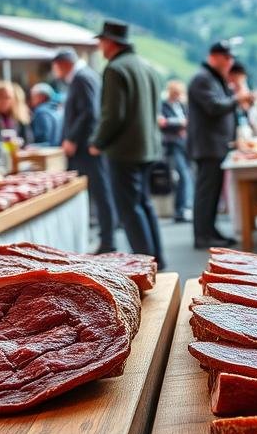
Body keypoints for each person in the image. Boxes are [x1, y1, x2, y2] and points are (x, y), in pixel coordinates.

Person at [89, 20, 165, 265]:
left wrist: (98, 142)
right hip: (149, 147)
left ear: (111, 42)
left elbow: (113, 115)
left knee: (130, 209)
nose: (100, 46)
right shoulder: (145, 65)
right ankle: (158, 259)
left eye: (102, 41)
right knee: (144, 204)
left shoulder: (115, 69)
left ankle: (145, 264)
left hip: (125, 150)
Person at [52, 48, 118, 254]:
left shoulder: (82, 78)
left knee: (101, 192)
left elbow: (90, 112)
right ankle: (106, 238)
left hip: (87, 147)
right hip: (87, 145)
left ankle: (108, 240)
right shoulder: (85, 76)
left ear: (63, 64)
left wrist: (72, 138)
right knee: (99, 192)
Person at [188, 41, 253, 248]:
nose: (230, 62)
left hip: (215, 145)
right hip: (208, 145)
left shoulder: (212, 78)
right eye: (226, 58)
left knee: (213, 193)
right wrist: (238, 98)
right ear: (214, 57)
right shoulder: (202, 79)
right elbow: (214, 107)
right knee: (206, 193)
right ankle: (202, 235)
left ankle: (210, 230)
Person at [159, 80, 192, 224]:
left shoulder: (181, 106)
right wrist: (179, 123)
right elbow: (162, 123)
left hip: (184, 144)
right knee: (182, 176)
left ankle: (184, 208)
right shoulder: (163, 105)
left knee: (187, 176)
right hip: (172, 146)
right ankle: (181, 209)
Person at [228, 61, 257, 137]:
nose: (241, 80)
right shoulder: (228, 89)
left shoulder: (242, 86)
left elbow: (246, 107)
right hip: (235, 128)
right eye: (240, 77)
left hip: (245, 125)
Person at [28, 82, 62, 147]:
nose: (31, 100)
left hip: (46, 150)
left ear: (41, 97)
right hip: (59, 150)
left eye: (33, 97)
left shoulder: (40, 111)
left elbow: (42, 138)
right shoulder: (59, 110)